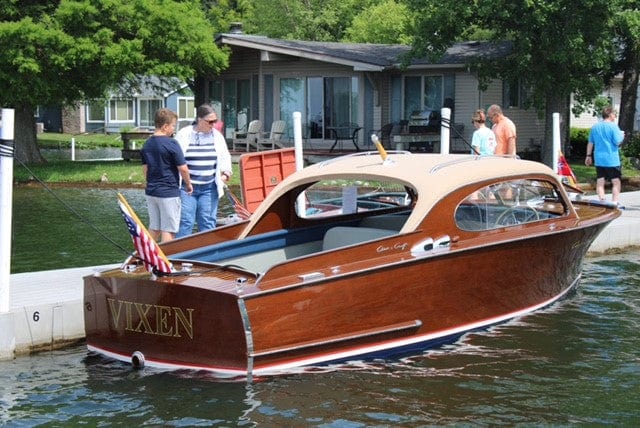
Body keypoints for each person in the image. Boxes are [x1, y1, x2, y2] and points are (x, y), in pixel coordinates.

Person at [175, 104, 233, 237]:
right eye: (210, 121)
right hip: (187, 188)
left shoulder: (217, 136)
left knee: (207, 222)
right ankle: (180, 254)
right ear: (200, 120)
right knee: (185, 221)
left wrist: (226, 173)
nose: (213, 125)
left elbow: (225, 156)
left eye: (215, 121)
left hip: (209, 188)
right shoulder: (184, 134)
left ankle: (207, 255)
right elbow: (175, 158)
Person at [141, 108, 193, 243]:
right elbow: (183, 169)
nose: (173, 129)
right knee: (168, 229)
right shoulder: (171, 143)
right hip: (168, 192)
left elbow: (145, 169)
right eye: (173, 126)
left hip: (152, 192)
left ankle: (145, 256)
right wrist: (188, 184)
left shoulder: (147, 144)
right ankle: (168, 260)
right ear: (165, 126)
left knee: (154, 227)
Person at [585, 106, 625, 207]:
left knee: (600, 181)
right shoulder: (613, 126)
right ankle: (615, 202)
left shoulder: (595, 127)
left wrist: (588, 155)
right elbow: (617, 142)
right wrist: (622, 137)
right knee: (616, 181)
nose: (615, 116)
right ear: (610, 114)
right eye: (614, 114)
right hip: (611, 159)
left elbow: (590, 143)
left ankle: (602, 201)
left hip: (599, 158)